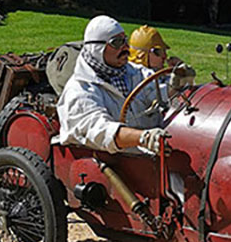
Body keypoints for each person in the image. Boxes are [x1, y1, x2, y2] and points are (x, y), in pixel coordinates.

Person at [57, 16, 174, 155]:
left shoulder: (135, 72)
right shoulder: (80, 90)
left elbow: (157, 92)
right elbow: (100, 130)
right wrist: (144, 138)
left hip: (154, 153)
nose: (126, 48)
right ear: (97, 48)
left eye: (125, 41)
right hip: (117, 160)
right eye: (117, 42)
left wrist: (177, 84)